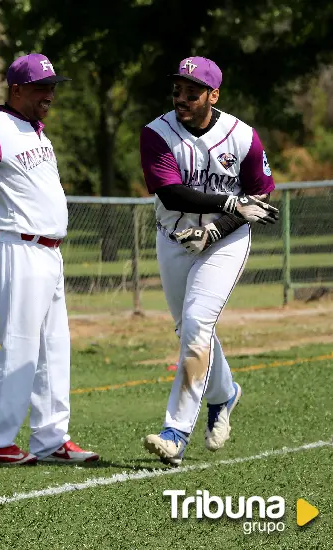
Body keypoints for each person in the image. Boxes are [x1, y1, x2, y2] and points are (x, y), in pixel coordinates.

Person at [138, 56, 277, 466]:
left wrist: (216, 227)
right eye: (177, 90)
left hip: (226, 241)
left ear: (213, 95)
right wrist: (230, 200)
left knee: (198, 324)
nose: (182, 97)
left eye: (192, 91)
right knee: (189, 329)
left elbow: (260, 197)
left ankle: (175, 432)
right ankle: (224, 394)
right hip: (173, 237)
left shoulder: (242, 136)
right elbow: (171, 195)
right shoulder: (156, 133)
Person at [0, 53, 99, 466]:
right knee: (21, 347)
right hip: (17, 246)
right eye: (42, 87)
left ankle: (51, 438)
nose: (50, 94)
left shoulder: (34, 130)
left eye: (53, 86)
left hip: (47, 251)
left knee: (54, 347)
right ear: (17, 89)